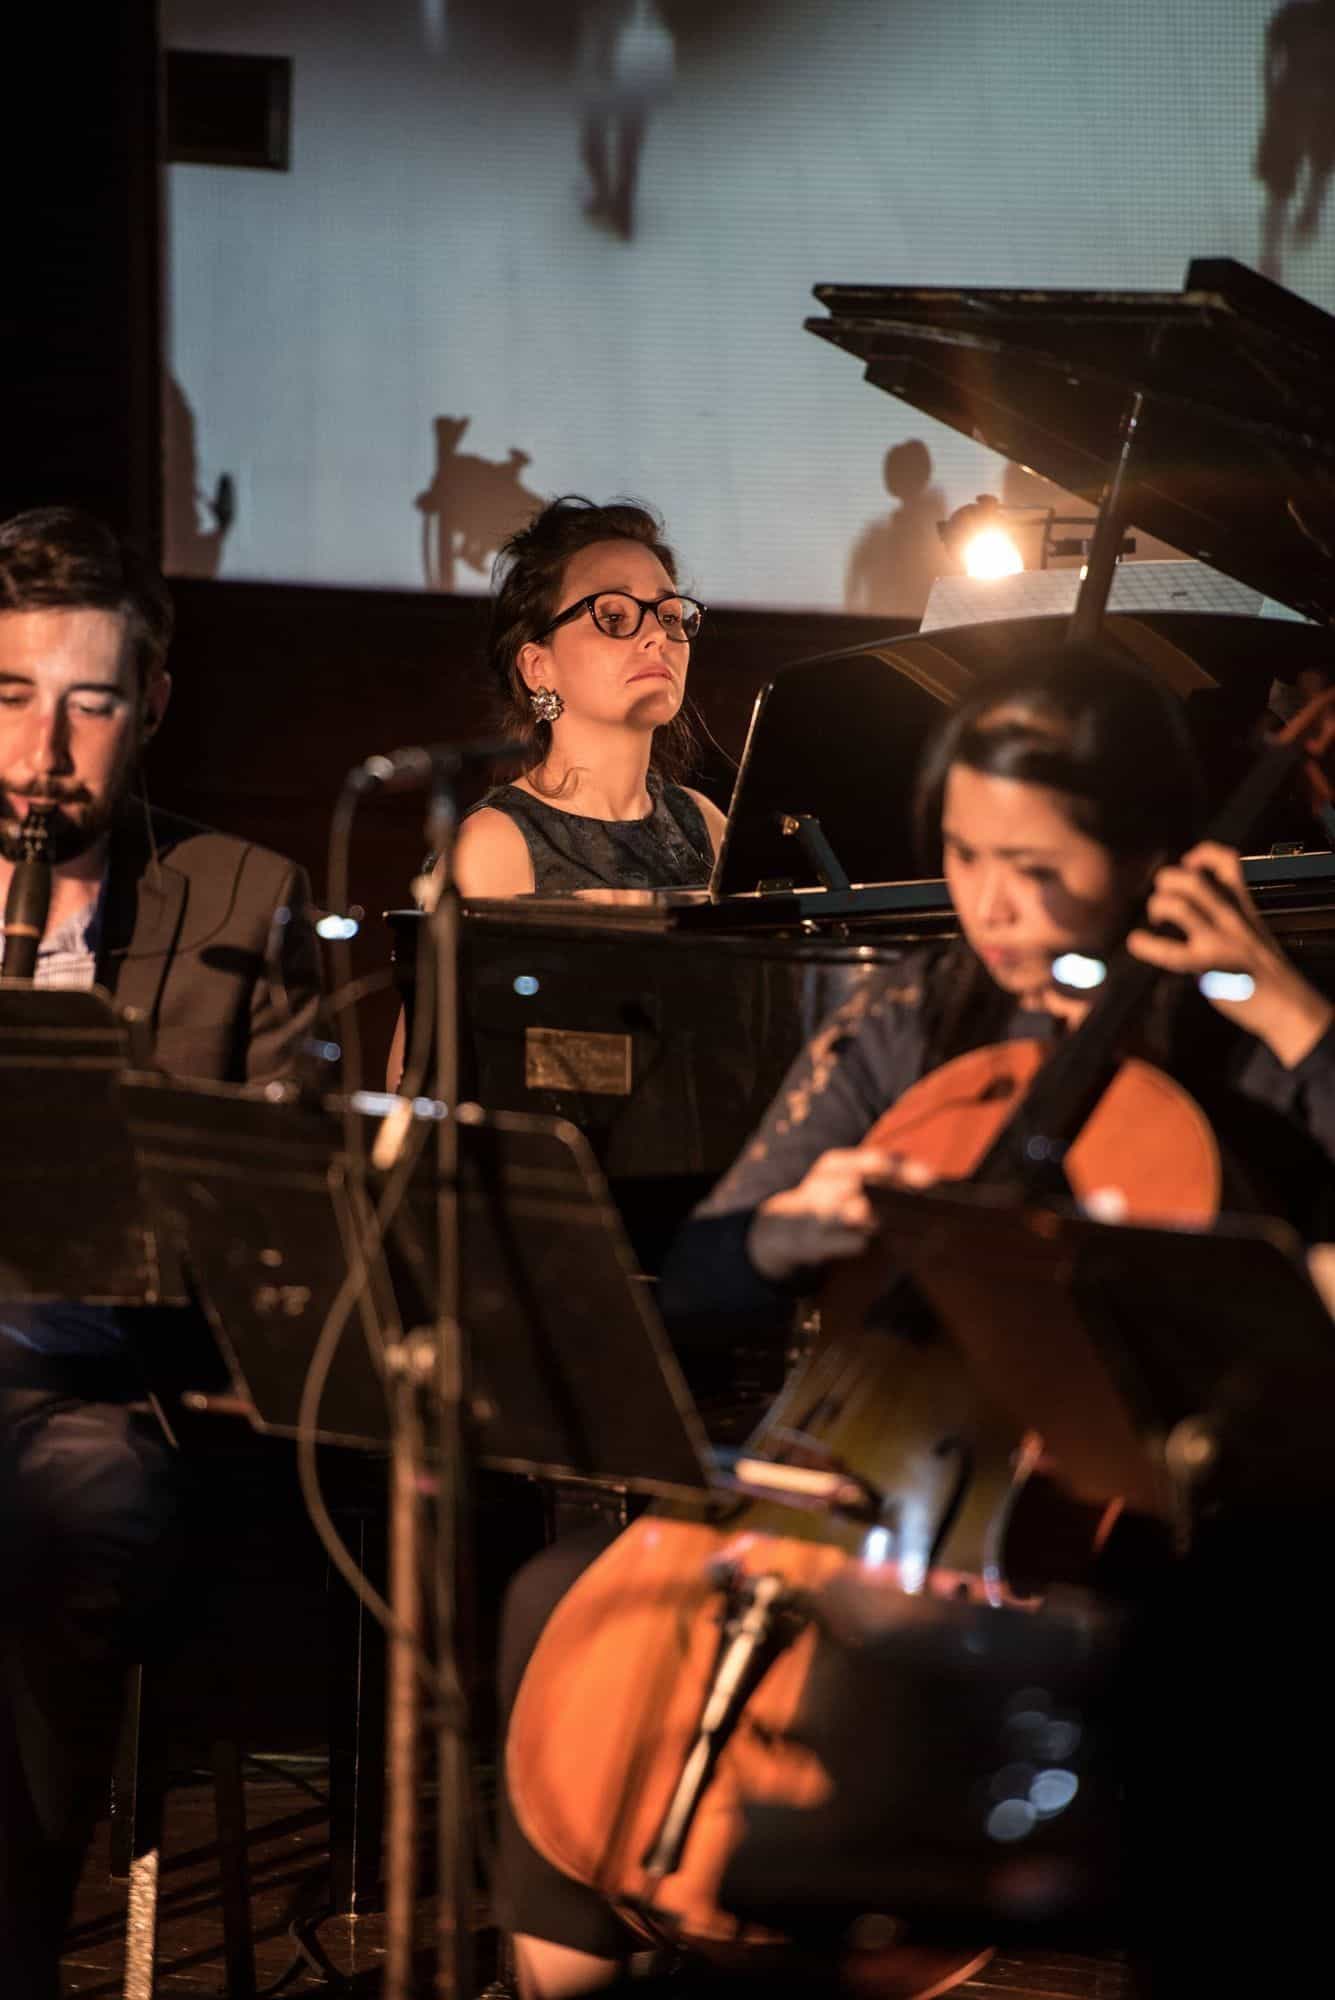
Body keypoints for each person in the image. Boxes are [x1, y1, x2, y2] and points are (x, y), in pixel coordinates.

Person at [498, 643, 1335, 1999]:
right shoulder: (911, 1017)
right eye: (962, 853)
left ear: (1144, 855)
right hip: (872, 1485)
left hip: (1129, 1526)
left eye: (1037, 865)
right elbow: (705, 1273)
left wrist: (1284, 1008)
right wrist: (800, 1222)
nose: (989, 904)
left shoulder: (1240, 1025)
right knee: (564, 1598)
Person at [0, 506, 323, 1997]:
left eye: (89, 702)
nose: (41, 749)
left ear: (154, 705)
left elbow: (287, 1236)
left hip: (110, 1388)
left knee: (58, 1521)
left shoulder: (245, 897)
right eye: (10, 696)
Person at [452, 495, 725, 898]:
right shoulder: (494, 844)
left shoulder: (703, 824)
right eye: (614, 617)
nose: (657, 635)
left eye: (669, 616)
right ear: (537, 667)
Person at [1255, 0, 1335, 280]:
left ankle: (1279, 249)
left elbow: (1270, 59)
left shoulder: (1295, 14)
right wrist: (1273, 102)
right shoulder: (1293, 15)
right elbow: (1270, 58)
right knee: (1283, 185)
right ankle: (1270, 255)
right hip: (1293, 108)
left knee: (1314, 175)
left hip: (1314, 110)